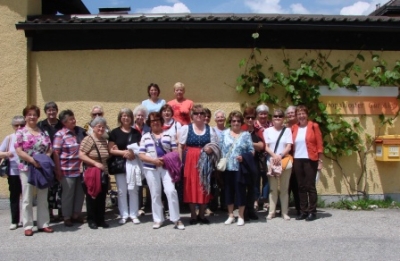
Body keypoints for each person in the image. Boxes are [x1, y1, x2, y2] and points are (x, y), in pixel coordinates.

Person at [139, 112, 185, 230]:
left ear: (161, 121)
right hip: (150, 168)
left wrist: (164, 159)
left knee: (171, 191)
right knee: (155, 194)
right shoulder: (145, 137)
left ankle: (176, 219)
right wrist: (154, 161)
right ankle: (158, 219)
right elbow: (141, 155)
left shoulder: (168, 135)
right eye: (153, 120)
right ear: (149, 123)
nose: (155, 122)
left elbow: (174, 152)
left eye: (157, 120)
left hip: (166, 167)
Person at [15, 105, 53, 236]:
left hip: (42, 167)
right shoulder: (20, 132)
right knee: (27, 197)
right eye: (29, 114)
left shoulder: (43, 132)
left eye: (34, 114)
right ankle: (28, 225)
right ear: (25, 116)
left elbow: (49, 148)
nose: (32, 117)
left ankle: (43, 223)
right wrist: (32, 161)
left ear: (38, 117)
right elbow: (19, 151)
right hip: (27, 167)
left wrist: (44, 159)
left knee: (43, 196)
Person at [178, 104, 218, 225]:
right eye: (196, 113)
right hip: (190, 159)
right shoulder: (186, 129)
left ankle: (202, 214)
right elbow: (180, 146)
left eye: (201, 113)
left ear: (205, 116)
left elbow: (215, 145)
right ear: (192, 116)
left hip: (205, 160)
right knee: (191, 186)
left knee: (204, 186)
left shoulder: (210, 129)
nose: (199, 115)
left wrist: (211, 149)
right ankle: (193, 214)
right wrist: (180, 162)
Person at [220, 111, 254, 226]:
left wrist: (243, 157)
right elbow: (219, 149)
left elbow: (251, 151)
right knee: (228, 191)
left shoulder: (246, 135)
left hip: (240, 168)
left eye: (238, 121)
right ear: (230, 122)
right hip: (227, 168)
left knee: (240, 192)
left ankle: (241, 215)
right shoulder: (224, 134)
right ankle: (230, 215)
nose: (236, 123)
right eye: (233, 121)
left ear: (241, 122)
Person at [53, 110, 86, 227]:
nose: (74, 121)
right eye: (70, 119)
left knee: (79, 193)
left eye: (73, 118)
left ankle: (76, 214)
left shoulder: (79, 132)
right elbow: (56, 153)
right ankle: (67, 216)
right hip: (66, 169)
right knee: (68, 194)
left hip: (80, 169)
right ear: (64, 122)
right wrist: (57, 169)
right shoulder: (60, 134)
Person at [108, 108, 142, 225]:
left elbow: (140, 148)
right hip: (120, 165)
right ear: (120, 118)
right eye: (123, 116)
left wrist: (131, 152)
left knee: (133, 190)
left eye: (127, 116)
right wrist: (124, 153)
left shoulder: (136, 133)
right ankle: (124, 214)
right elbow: (111, 150)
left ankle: (134, 214)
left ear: (131, 118)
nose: (125, 118)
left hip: (133, 163)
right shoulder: (114, 132)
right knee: (122, 191)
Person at [291, 105, 323, 221]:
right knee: (301, 186)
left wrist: (320, 160)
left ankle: (312, 212)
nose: (301, 116)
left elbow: (319, 144)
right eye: (299, 114)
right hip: (297, 159)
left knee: (310, 186)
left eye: (303, 113)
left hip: (310, 159)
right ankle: (303, 211)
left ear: (307, 114)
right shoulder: (294, 127)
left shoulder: (314, 126)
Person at [79, 117, 110, 229]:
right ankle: (91, 220)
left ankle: (101, 219)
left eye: (103, 126)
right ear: (93, 127)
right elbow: (81, 154)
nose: (101, 129)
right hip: (91, 172)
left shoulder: (103, 139)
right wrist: (95, 163)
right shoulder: (88, 139)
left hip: (103, 173)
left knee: (102, 197)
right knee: (91, 196)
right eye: (99, 126)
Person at [264, 109, 293, 221]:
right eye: (275, 116)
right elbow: (266, 146)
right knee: (273, 189)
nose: (277, 118)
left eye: (280, 116)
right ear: (272, 118)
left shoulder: (287, 131)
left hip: (284, 161)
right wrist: (274, 156)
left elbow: (288, 146)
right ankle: (271, 212)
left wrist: (279, 156)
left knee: (284, 188)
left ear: (283, 118)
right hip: (271, 162)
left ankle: (284, 212)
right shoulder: (267, 131)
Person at [37, 101, 63, 223]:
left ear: (56, 111)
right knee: (49, 187)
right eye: (49, 110)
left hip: (60, 159)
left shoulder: (62, 125)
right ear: (46, 112)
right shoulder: (41, 125)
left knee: (61, 187)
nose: (51, 112)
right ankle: (49, 213)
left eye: (53, 110)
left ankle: (61, 212)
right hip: (46, 160)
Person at [0, 116, 25, 230]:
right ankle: (15, 221)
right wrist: (6, 154)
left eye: (22, 125)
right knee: (14, 197)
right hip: (13, 172)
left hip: (26, 171)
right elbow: (0, 152)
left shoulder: (27, 137)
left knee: (26, 197)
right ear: (13, 126)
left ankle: (26, 220)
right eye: (16, 125)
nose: (19, 127)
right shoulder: (9, 138)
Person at [242, 107, 264, 220]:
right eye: (248, 117)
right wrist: (255, 144)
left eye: (252, 117)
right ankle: (244, 211)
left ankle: (251, 210)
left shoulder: (257, 130)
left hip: (254, 163)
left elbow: (261, 146)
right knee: (243, 187)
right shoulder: (241, 129)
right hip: (243, 162)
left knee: (253, 187)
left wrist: (249, 143)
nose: (250, 119)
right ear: (244, 119)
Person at [285, 105, 301, 215]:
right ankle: (284, 208)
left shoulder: (300, 127)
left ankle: (299, 208)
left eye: (293, 112)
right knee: (286, 183)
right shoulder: (284, 127)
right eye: (289, 113)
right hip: (286, 157)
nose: (291, 114)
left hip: (298, 156)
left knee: (296, 183)